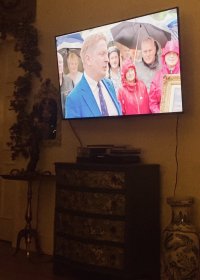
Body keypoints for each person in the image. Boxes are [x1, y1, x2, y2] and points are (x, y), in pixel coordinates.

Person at [65, 33, 122, 118]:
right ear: (88, 60)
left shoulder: (109, 84)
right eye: (102, 54)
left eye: (107, 54)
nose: (107, 59)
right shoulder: (74, 99)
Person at [149, 40, 180, 113]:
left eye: (174, 53)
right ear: (164, 56)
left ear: (178, 56)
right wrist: (160, 114)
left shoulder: (184, 74)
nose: (172, 56)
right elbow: (152, 103)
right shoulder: (157, 77)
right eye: (169, 53)